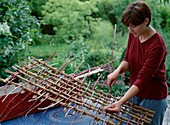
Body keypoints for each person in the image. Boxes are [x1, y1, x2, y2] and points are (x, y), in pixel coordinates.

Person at [104, 1, 168, 125]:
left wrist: (120, 102)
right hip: (134, 94)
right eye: (128, 26)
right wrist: (117, 72)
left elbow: (143, 79)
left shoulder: (157, 46)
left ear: (146, 21)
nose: (130, 29)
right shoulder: (134, 34)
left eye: (133, 26)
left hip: (153, 98)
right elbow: (127, 59)